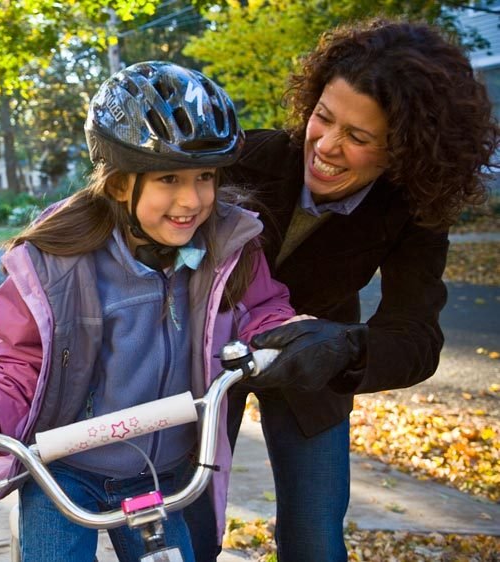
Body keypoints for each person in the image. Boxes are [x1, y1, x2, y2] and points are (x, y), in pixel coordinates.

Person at [0, 61, 301, 562]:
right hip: (63, 472)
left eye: (205, 177)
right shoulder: (55, 263)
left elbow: (264, 312)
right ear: (120, 183)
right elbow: (18, 366)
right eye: (168, 178)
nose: (191, 200)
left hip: (164, 471)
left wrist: (290, 336)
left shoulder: (227, 247)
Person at [183, 18, 500, 562]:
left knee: (316, 541)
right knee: (189, 535)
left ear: (404, 151)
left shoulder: (413, 212)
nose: (326, 147)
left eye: (358, 138)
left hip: (317, 366)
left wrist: (344, 348)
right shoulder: (244, 158)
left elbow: (416, 336)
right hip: (203, 364)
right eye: (323, 118)